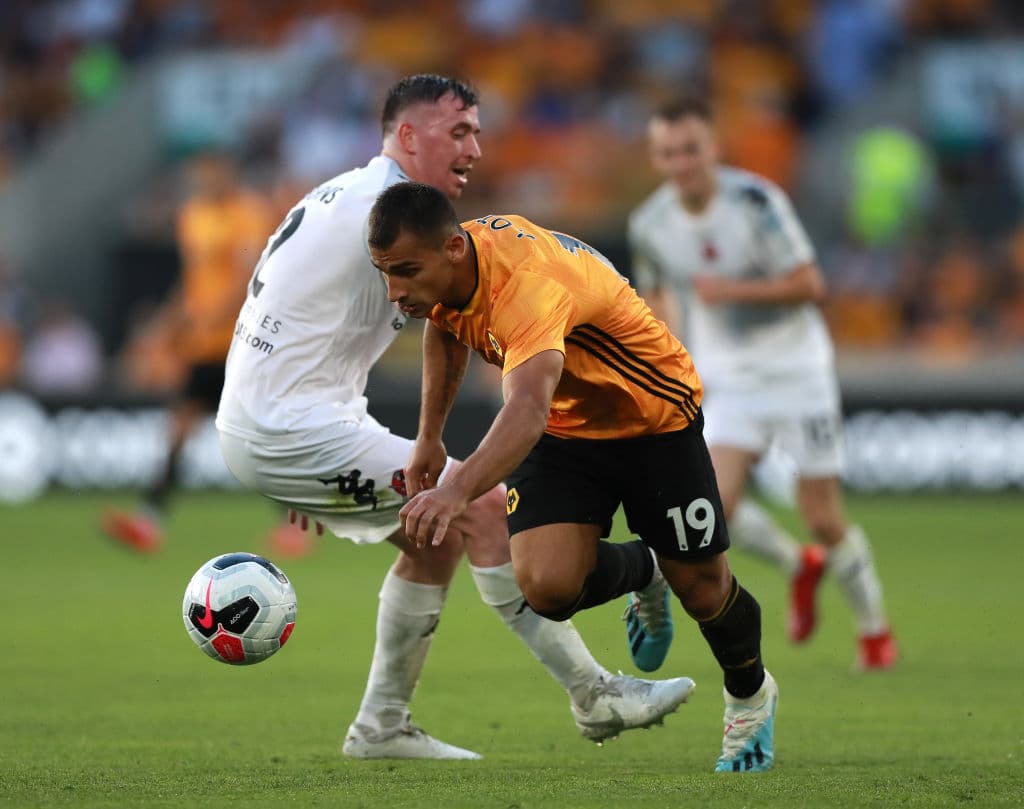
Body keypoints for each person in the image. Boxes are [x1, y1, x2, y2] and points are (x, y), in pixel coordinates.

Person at [215, 75, 696, 761]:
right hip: (287, 425)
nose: (476, 147)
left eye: (477, 130)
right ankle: (595, 693)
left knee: (434, 535)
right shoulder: (388, 215)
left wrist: (312, 462)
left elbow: (312, 319)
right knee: (482, 509)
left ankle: (381, 725)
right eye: (459, 131)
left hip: (281, 420)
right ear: (409, 137)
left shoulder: (349, 195)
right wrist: (297, 456)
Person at [366, 180, 779, 773]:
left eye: (404, 271)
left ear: (453, 248)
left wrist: (455, 490)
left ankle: (749, 696)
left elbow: (526, 411)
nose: (394, 291)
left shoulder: (527, 287)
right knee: (548, 589)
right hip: (566, 428)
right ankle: (648, 568)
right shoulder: (449, 269)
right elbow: (444, 324)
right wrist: (430, 436)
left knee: (706, 588)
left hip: (651, 416)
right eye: (384, 272)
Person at [628, 96, 897, 670]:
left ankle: (874, 630)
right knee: (714, 509)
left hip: (797, 369)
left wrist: (733, 292)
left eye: (690, 150)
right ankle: (800, 565)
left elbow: (809, 283)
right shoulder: (649, 222)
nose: (681, 163)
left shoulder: (756, 201)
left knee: (823, 515)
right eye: (668, 153)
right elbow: (656, 299)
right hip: (727, 375)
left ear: (712, 148)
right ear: (656, 157)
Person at [101, 151, 308, 554]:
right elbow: (194, 280)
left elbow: (251, 272)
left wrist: (215, 313)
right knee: (179, 429)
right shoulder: (193, 217)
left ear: (226, 173)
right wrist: (169, 320)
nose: (203, 182)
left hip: (243, 341)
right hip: (202, 346)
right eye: (197, 176)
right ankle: (149, 521)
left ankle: (294, 523)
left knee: (256, 435)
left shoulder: (248, 212)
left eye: (209, 175)